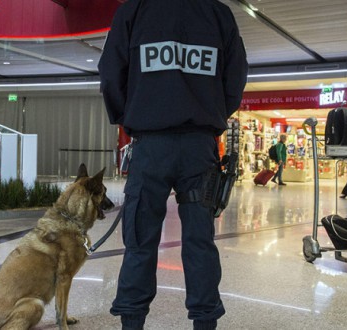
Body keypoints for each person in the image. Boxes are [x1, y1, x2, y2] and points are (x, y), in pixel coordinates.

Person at [98, 0, 248, 328]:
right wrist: (212, 113)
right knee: (199, 241)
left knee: (140, 240)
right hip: (199, 147)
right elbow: (235, 78)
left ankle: (132, 323)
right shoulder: (218, 13)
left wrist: (132, 117)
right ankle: (205, 322)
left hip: (150, 146)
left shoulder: (133, 11)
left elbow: (110, 73)